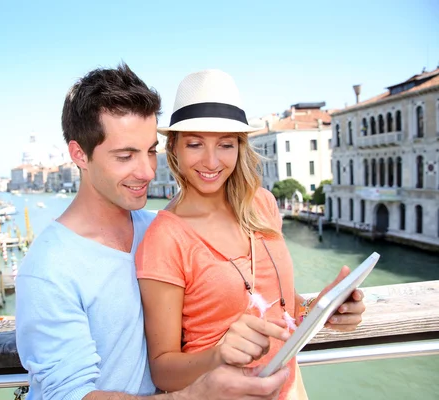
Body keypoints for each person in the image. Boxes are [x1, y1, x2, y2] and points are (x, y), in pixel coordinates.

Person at [15, 63, 292, 400]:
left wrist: (314, 308)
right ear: (79, 155)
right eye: (125, 155)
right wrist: (195, 395)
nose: (146, 171)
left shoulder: (154, 227)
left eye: (149, 151)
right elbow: (71, 396)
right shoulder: (48, 269)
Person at [135, 69, 366, 399]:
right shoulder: (164, 239)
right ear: (174, 148)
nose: (211, 161)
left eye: (225, 144)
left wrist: (324, 309)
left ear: (240, 146)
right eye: (195, 144)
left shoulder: (263, 204)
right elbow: (163, 369)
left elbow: (280, 305)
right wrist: (219, 354)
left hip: (291, 389)